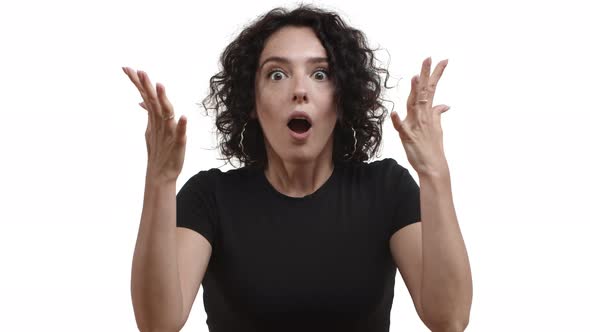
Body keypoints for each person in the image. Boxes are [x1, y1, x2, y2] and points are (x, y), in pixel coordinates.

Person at [124, 4, 472, 332]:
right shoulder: (210, 198)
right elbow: (158, 323)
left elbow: (449, 318)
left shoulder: (386, 188)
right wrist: (160, 179)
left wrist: (434, 173)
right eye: (277, 74)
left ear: (342, 95)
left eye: (320, 74)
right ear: (251, 101)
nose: (300, 90)